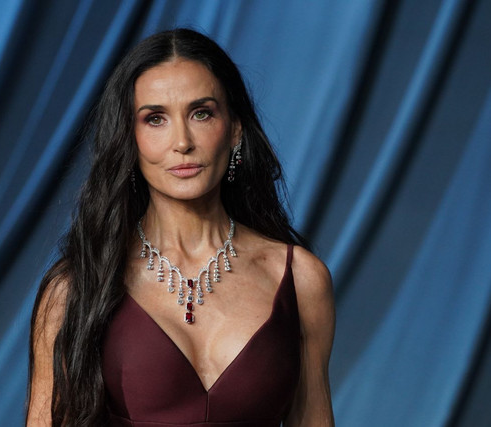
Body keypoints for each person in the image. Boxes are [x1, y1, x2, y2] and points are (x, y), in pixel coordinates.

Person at [27, 28, 335, 426]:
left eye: (201, 113)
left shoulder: (300, 280)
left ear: (235, 129)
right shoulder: (75, 288)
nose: (182, 142)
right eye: (155, 119)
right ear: (130, 139)